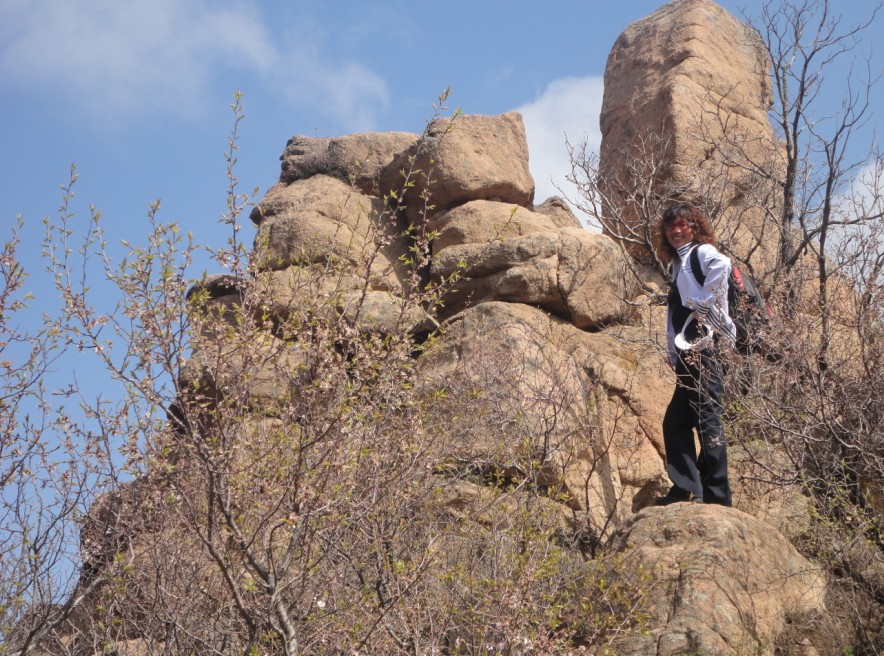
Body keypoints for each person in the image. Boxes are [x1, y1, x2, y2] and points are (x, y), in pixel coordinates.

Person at [654, 203, 736, 507]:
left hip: (705, 350)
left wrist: (703, 303)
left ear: (694, 226)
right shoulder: (679, 262)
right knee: (676, 422)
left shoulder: (700, 253)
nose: (676, 231)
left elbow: (723, 265)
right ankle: (688, 488)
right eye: (671, 226)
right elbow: (675, 313)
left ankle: (717, 497)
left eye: (683, 225)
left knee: (707, 420)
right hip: (689, 354)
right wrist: (673, 353)